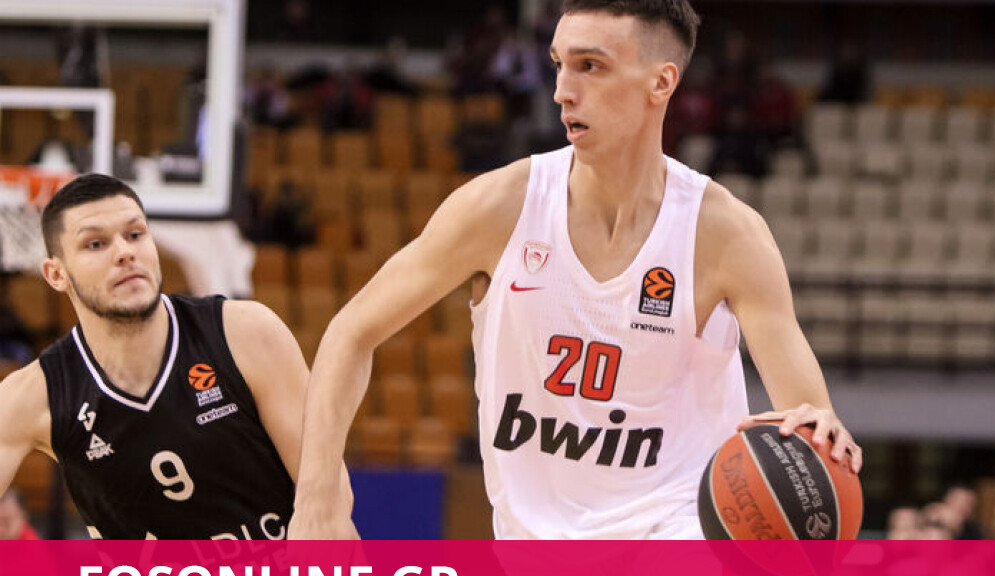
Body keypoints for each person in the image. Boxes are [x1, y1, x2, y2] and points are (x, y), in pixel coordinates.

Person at [290, 0, 862, 541]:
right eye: (559, 64)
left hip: (678, 541)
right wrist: (317, 493)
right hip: (536, 561)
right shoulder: (499, 209)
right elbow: (350, 332)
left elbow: (807, 419)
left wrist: (823, 431)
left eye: (591, 66)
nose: (563, 90)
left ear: (661, 83)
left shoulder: (726, 235)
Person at [0, 174, 310, 539]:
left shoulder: (246, 333)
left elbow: (328, 493)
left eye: (135, 234)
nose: (124, 252)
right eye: (96, 243)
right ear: (56, 274)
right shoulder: (35, 395)